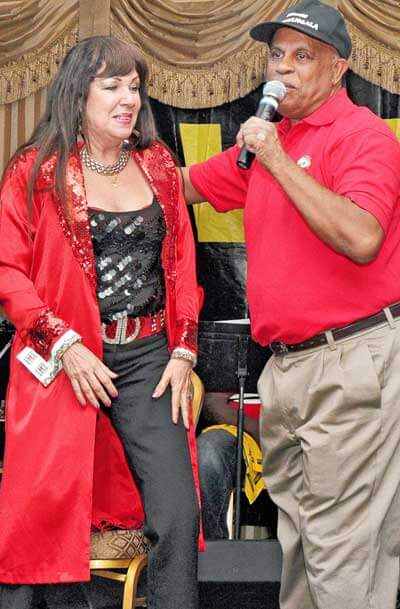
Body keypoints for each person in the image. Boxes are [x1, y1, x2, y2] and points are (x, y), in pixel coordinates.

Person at [181, 1, 400, 608]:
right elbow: (184, 184)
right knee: (300, 545)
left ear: (339, 70)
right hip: (288, 368)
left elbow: (362, 237)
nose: (285, 68)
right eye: (277, 54)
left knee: (342, 551)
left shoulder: (364, 136)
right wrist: (91, 167)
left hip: (350, 360)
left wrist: (276, 158)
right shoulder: (272, 144)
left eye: (304, 56)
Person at [0, 36, 201, 609]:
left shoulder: (158, 165)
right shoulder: (36, 169)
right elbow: (8, 271)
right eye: (111, 86)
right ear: (77, 95)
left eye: (134, 87)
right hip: (64, 359)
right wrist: (62, 344)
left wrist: (183, 350)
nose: (127, 98)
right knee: (42, 515)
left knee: (178, 514)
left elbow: (183, 264)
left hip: (147, 359)